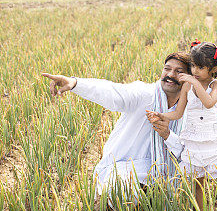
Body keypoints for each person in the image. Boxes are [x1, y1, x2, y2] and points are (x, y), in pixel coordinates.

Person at [42, 52, 191, 196]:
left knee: (166, 198)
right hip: (125, 168)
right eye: (167, 69)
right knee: (125, 193)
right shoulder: (145, 94)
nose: (170, 75)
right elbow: (112, 91)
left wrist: (167, 135)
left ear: (189, 79)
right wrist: (75, 83)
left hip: (165, 173)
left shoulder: (191, 110)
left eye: (179, 71)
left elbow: (187, 152)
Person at [147, 42, 217, 211]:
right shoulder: (188, 86)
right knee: (198, 181)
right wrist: (162, 115)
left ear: (213, 69)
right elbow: (179, 113)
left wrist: (194, 82)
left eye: (200, 67)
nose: (195, 71)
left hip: (211, 136)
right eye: (193, 66)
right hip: (194, 138)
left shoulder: (216, 85)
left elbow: (209, 103)